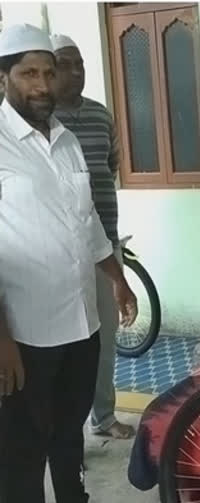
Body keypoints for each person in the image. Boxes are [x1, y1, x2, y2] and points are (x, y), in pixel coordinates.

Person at [0, 24, 137, 503]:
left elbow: (89, 223)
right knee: (23, 445)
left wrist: (116, 278)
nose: (41, 84)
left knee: (68, 433)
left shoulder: (68, 141)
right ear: (5, 78)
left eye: (47, 72)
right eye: (28, 73)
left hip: (81, 323)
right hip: (27, 333)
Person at [51, 33, 135, 440]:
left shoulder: (101, 116)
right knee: (62, 341)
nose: (75, 72)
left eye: (80, 64)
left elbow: (111, 167)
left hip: (105, 246)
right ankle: (61, 429)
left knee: (104, 336)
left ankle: (103, 416)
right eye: (64, 64)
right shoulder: (42, 122)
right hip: (57, 253)